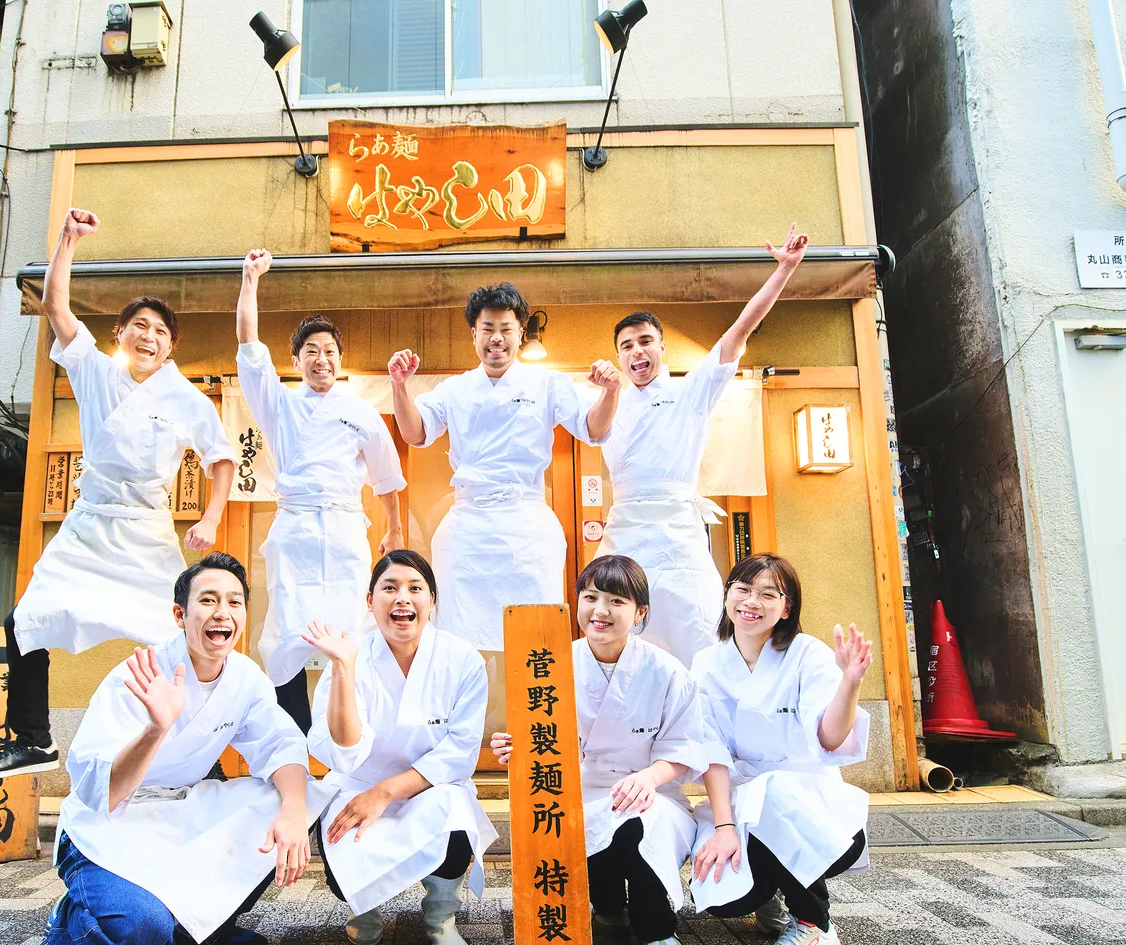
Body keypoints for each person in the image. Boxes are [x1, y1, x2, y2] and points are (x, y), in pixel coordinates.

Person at [0, 208, 236, 778]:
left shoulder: (186, 398)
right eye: (139, 325)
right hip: (89, 524)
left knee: (187, 635)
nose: (149, 336)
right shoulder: (94, 371)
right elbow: (55, 306)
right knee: (24, 621)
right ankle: (34, 739)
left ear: (170, 347)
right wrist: (68, 240)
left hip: (146, 530)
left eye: (160, 331)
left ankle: (201, 756)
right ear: (120, 333)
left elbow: (222, 459)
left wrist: (212, 517)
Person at [32, 552, 334, 945]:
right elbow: (101, 791)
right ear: (179, 614)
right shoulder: (138, 675)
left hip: (181, 809)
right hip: (111, 824)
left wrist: (292, 811)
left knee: (294, 799)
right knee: (138, 934)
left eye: (234, 602)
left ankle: (203, 930)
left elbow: (280, 745)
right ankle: (62, 937)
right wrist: (156, 728)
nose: (222, 612)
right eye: (208, 600)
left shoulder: (245, 677)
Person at [490, 555, 729, 945]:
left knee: (639, 826)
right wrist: (517, 750)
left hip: (651, 790)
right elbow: (539, 737)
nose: (600, 610)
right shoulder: (550, 665)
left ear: (640, 612)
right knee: (577, 821)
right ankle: (608, 907)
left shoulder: (666, 671)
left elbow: (684, 749)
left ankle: (656, 928)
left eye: (616, 601)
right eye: (590, 597)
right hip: (576, 788)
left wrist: (648, 778)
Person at [598, 225, 810, 667]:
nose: (636, 352)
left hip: (678, 530)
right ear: (618, 356)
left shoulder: (690, 391)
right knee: (616, 635)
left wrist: (784, 270)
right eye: (626, 346)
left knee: (699, 631)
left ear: (662, 347)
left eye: (645, 342)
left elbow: (740, 329)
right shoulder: (607, 402)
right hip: (624, 529)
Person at [389, 283, 622, 653]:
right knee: (459, 635)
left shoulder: (547, 383)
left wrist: (610, 392)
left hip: (526, 524)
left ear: (520, 332)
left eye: (505, 328)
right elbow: (415, 433)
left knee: (536, 631)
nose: (496, 338)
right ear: (474, 334)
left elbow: (593, 429)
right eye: (487, 328)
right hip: (467, 526)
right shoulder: (454, 389)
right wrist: (400, 387)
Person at [300, 549, 496, 945]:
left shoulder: (462, 659)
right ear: (370, 601)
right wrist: (343, 668)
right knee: (340, 843)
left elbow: (459, 752)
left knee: (454, 809)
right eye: (389, 588)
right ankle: (363, 906)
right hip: (358, 786)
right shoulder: (350, 655)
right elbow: (344, 749)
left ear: (432, 601)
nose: (402, 598)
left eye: (415, 588)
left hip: (428, 787)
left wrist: (386, 793)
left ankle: (441, 918)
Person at [236, 249, 406, 731]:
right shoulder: (279, 405)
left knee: (354, 630)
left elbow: (386, 476)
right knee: (288, 630)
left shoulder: (361, 412)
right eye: (310, 351)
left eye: (329, 351)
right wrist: (250, 279)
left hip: (346, 529)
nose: (321, 359)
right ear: (296, 360)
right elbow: (248, 343)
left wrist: (394, 529)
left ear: (340, 360)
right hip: (296, 530)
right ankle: (291, 738)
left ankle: (350, 735)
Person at [687, 552, 872, 945]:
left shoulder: (808, 654)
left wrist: (851, 681)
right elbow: (712, 752)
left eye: (768, 594)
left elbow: (830, 738)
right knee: (720, 896)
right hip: (741, 800)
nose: (752, 602)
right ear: (727, 596)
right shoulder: (707, 663)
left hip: (810, 806)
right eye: (743, 589)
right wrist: (724, 827)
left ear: (786, 608)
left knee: (774, 791)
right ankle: (768, 891)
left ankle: (816, 926)